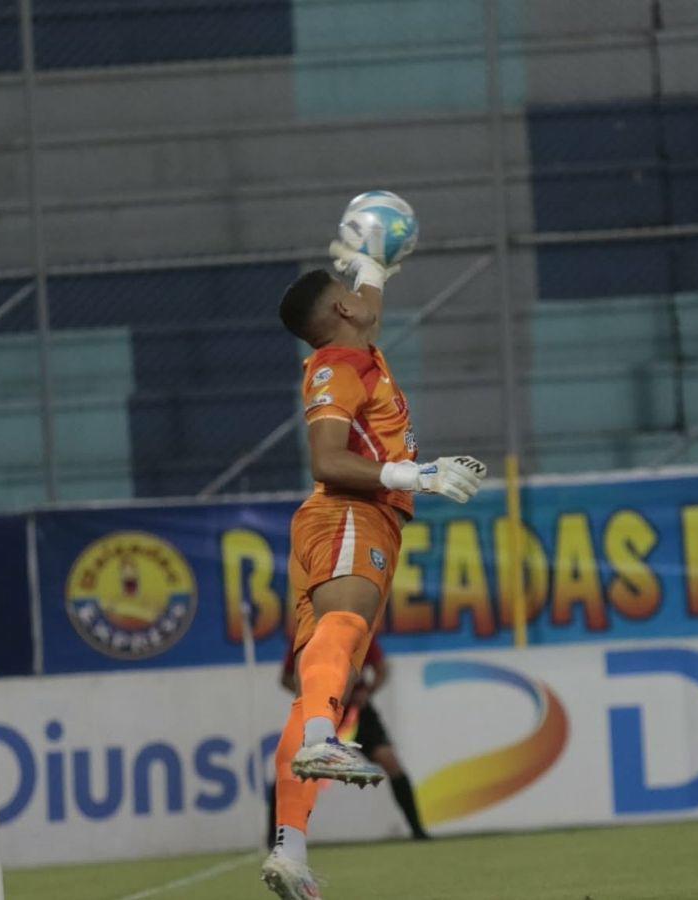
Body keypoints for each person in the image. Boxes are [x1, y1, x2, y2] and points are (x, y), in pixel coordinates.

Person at [261, 245, 485, 899]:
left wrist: (374, 263)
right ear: (339, 308)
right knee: (346, 625)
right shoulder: (336, 365)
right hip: (350, 512)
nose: (366, 300)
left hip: (354, 520)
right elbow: (327, 460)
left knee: (317, 691)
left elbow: (369, 307)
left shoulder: (357, 346)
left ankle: (291, 852)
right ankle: (326, 740)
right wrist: (418, 474)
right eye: (353, 291)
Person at [266, 635, 428, 847]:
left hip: (356, 713)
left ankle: (417, 829)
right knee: (289, 768)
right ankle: (274, 838)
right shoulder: (305, 637)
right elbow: (286, 678)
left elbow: (382, 669)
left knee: (389, 760)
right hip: (320, 713)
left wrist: (368, 692)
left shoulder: (355, 632)